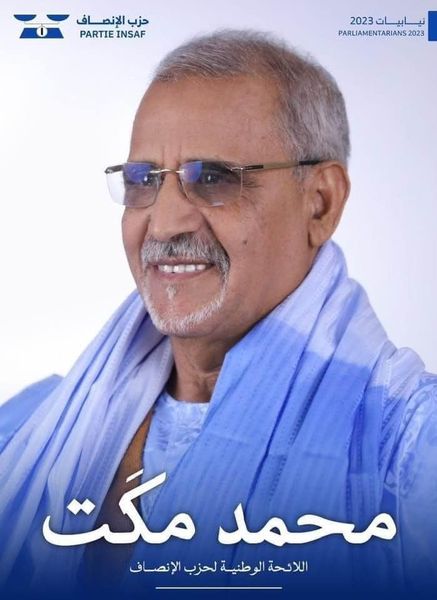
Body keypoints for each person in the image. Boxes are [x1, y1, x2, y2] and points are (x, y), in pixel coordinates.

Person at [0, 29, 436, 600]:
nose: (164, 223)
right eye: (142, 181)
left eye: (212, 178)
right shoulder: (30, 430)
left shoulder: (407, 448)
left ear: (321, 202)